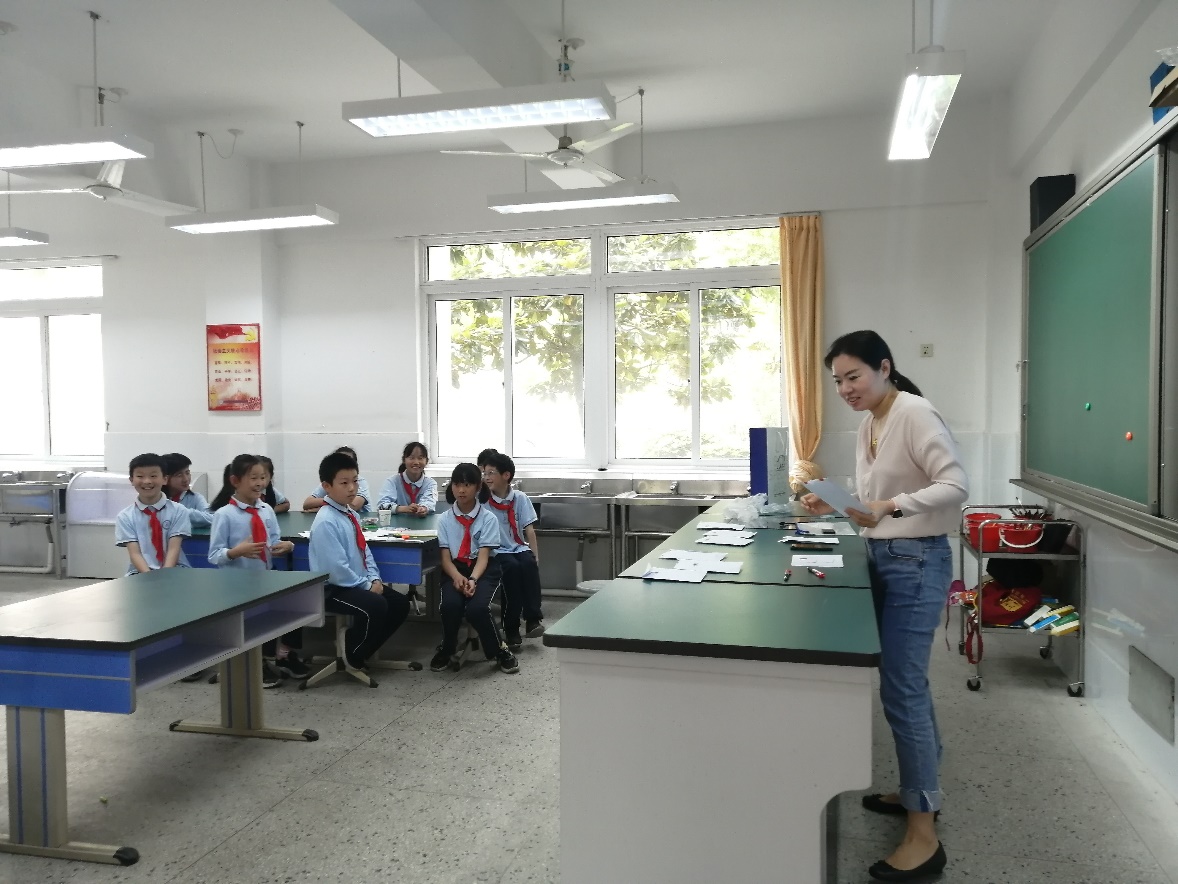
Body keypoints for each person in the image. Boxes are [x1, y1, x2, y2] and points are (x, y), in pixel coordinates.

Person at [802, 330, 967, 883]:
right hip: (886, 556)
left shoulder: (914, 412)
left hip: (917, 562)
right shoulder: (870, 423)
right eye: (838, 381)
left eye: (853, 376)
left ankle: (924, 834)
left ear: (884, 367)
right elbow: (871, 506)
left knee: (902, 689)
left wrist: (889, 504)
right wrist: (835, 501)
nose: (845, 388)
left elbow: (954, 486)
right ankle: (920, 790)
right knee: (904, 684)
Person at [308, 451, 410, 670]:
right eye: (344, 483)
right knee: (376, 605)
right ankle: (354, 653)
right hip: (334, 588)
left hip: (356, 581)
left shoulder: (350, 514)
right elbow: (336, 571)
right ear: (326, 486)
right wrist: (367, 587)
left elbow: (365, 553)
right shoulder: (326, 521)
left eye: (355, 481)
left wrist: (374, 579)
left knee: (400, 604)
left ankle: (356, 649)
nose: (352, 488)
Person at [207, 454, 303, 687]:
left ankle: (263, 661)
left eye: (263, 477)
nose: (260, 483)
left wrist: (287, 546)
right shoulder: (224, 515)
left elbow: (273, 542)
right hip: (235, 586)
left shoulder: (266, 510)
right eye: (253, 478)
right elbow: (214, 555)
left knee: (262, 624)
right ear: (235, 480)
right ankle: (246, 668)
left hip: (263, 580)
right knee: (244, 628)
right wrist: (235, 552)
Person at [429, 463, 519, 675]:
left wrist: (473, 580)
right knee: (449, 606)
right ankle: (447, 648)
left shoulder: (488, 518)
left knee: (476, 609)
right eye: (457, 484)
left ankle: (499, 650)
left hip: (483, 569)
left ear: (478, 487)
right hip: (455, 568)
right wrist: (457, 577)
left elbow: (484, 556)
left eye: (467, 485)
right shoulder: (444, 519)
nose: (461, 490)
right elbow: (445, 558)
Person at [482, 452, 544, 650]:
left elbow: (529, 530)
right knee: (512, 569)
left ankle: (533, 619)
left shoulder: (520, 498)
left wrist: (535, 555)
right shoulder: (483, 500)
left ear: (506, 475)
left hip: (517, 546)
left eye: (491, 473)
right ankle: (511, 628)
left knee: (528, 564)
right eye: (484, 473)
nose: (487, 477)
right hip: (497, 550)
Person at [116, 453, 192, 575]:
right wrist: (151, 578)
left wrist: (163, 577)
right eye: (140, 476)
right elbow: (135, 554)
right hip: (139, 573)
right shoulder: (125, 516)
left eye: (153, 476)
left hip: (176, 569)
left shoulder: (179, 511)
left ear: (165, 479)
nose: (147, 481)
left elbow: (174, 549)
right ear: (131, 480)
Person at [303, 446, 372, 513]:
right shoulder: (330, 481)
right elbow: (307, 504)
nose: (351, 488)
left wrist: (321, 508)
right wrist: (329, 503)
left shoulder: (360, 481)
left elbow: (353, 506)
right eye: (339, 462)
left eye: (348, 462)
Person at [376, 442, 437, 516]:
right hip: (396, 523)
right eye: (411, 458)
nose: (416, 462)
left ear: (426, 461)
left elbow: (430, 501)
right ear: (403, 460)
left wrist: (423, 508)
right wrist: (403, 509)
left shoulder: (430, 483)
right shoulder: (392, 481)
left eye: (420, 458)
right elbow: (381, 506)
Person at [161, 452, 212, 529]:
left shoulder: (195, 498)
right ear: (165, 478)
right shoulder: (157, 500)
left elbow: (212, 518)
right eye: (179, 475)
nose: (185, 479)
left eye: (187, 473)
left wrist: (180, 511)